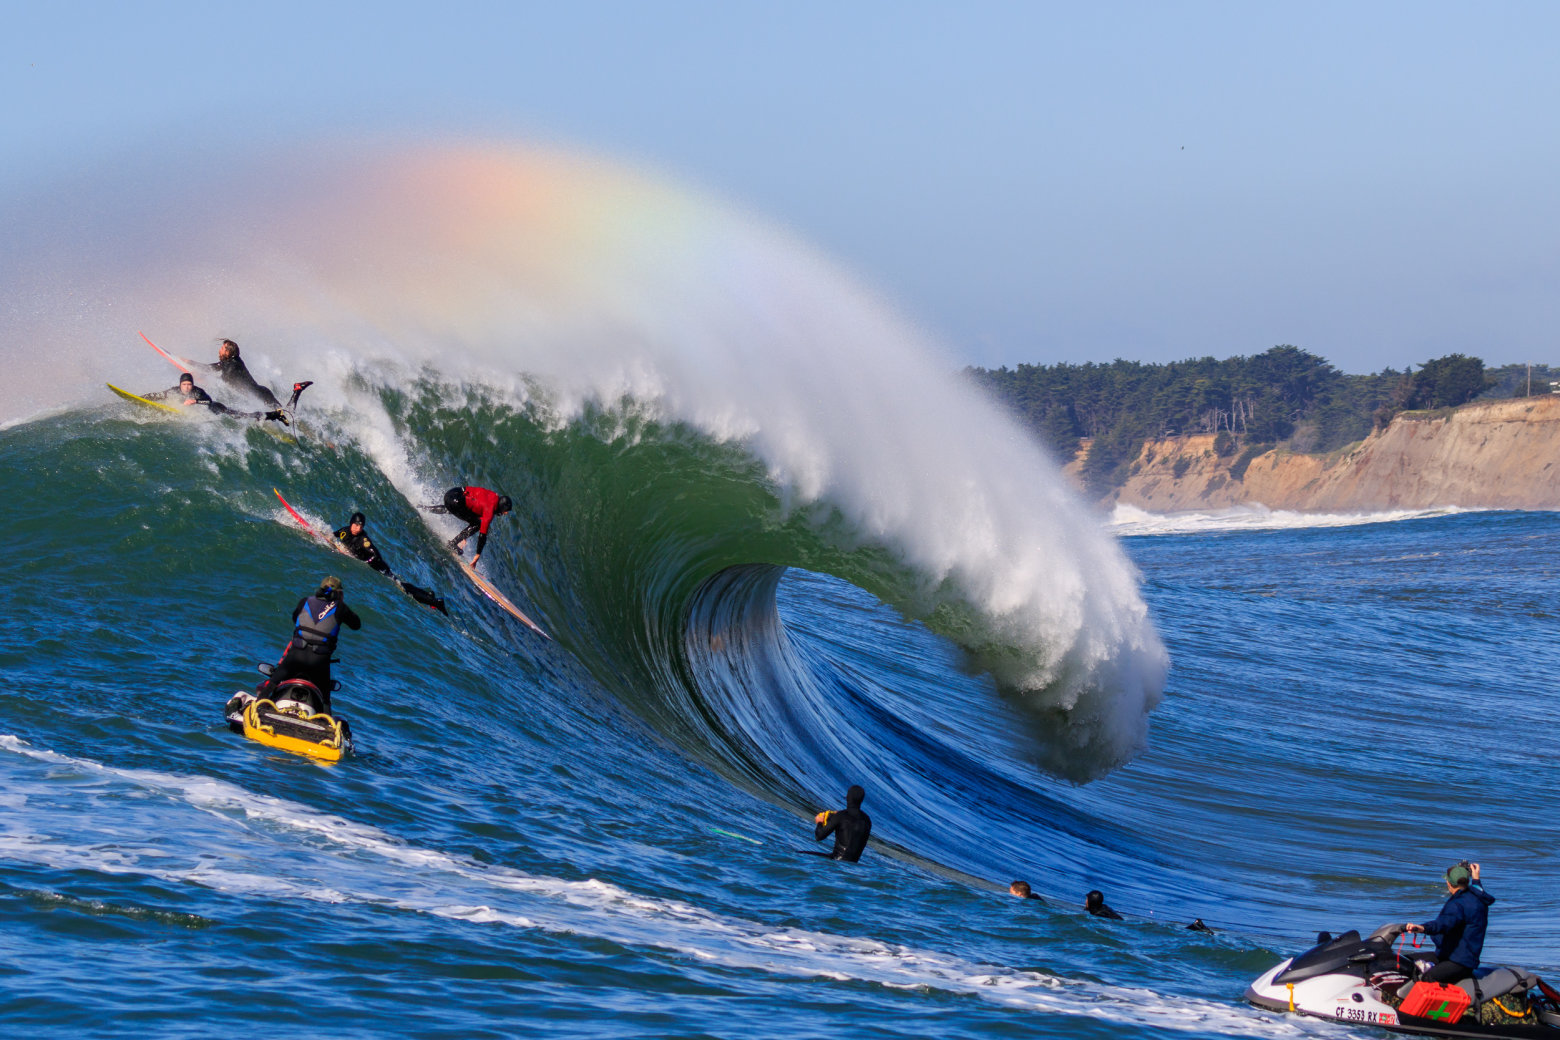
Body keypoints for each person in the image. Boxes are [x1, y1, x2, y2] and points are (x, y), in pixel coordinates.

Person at [255, 576, 361, 713]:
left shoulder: (305, 601)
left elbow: (295, 618)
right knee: (325, 700)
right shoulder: (341, 607)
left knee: (270, 686)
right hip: (319, 662)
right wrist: (339, 604)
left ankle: (258, 709)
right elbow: (356, 625)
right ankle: (326, 724)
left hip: (295, 657)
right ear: (340, 593)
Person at [333, 511, 448, 614]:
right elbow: (334, 535)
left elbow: (376, 555)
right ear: (351, 523)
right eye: (356, 525)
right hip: (375, 565)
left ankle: (435, 602)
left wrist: (365, 562)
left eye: (361, 526)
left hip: (379, 567)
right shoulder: (344, 530)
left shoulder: (364, 540)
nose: (358, 528)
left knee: (402, 587)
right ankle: (428, 595)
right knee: (401, 583)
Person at [1403, 861, 1495, 984]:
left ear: (1448, 883)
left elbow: (1443, 924)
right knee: (1407, 961)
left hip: (1458, 962)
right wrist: (1476, 879)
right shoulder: (1477, 897)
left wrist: (1422, 928)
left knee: (1427, 978)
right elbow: (1478, 891)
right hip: (1454, 956)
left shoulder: (1457, 904)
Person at [144, 372, 289, 423]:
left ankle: (275, 415)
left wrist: (195, 401)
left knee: (245, 416)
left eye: (189, 384)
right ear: (180, 384)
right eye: (184, 384)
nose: (187, 387)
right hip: (208, 412)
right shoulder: (175, 390)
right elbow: (159, 395)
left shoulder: (198, 391)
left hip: (218, 409)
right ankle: (274, 415)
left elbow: (209, 401)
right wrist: (141, 397)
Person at [429, 485, 514, 569]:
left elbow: (473, 506)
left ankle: (424, 508)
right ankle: (453, 543)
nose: (505, 513)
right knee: (478, 524)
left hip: (451, 494)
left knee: (452, 508)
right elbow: (482, 535)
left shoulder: (492, 496)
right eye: (505, 511)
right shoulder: (490, 510)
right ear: (501, 507)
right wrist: (477, 555)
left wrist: (465, 536)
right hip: (456, 502)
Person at [200, 338, 282, 409]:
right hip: (261, 393)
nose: (219, 351)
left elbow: (224, 379)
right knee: (283, 413)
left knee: (285, 414)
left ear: (228, 352)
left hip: (262, 395)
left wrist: (204, 378)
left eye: (222, 349)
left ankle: (295, 392)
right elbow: (208, 368)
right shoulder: (228, 362)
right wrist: (188, 363)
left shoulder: (233, 365)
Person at [813, 784, 871, 862]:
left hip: (836, 861)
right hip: (852, 865)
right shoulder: (867, 820)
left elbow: (819, 836)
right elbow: (851, 825)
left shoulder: (840, 816)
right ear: (861, 800)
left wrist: (819, 822)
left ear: (848, 798)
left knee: (801, 853)